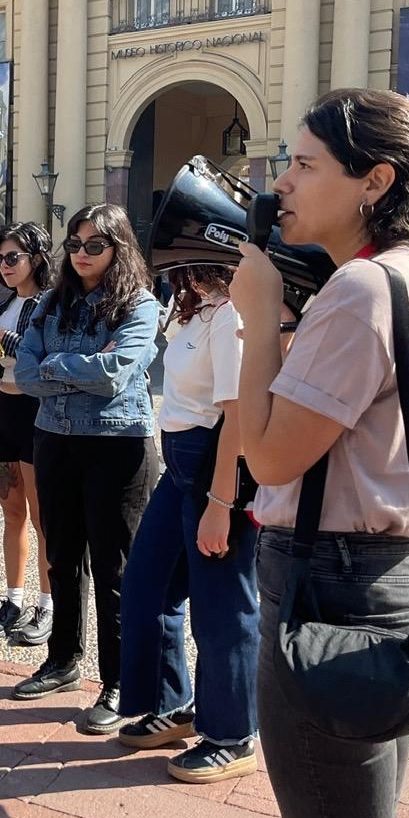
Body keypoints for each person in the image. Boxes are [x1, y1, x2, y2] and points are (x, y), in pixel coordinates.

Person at [229, 88, 409, 818]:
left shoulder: (359, 291)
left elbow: (267, 459)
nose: (281, 184)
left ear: (376, 181)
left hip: (327, 583)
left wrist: (259, 317)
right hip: (394, 577)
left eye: (303, 164)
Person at [11, 204, 160, 737]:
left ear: (119, 248)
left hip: (117, 446)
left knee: (115, 569)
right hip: (56, 440)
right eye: (74, 245)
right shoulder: (52, 304)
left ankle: (119, 681)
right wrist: (77, 370)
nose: (80, 254)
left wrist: (57, 367)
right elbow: (24, 372)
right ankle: (63, 660)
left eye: (94, 245)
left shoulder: (140, 305)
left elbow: (117, 373)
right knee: (62, 558)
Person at [117, 264, 260, 783]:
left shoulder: (229, 316)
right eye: (185, 273)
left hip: (212, 465)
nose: (190, 280)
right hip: (180, 465)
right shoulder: (195, 311)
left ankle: (233, 733)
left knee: (222, 603)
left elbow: (239, 412)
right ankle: (173, 702)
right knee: (147, 585)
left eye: (198, 271)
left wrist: (221, 501)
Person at [0, 222, 53, 644]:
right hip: (3, 409)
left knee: (44, 519)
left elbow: (49, 356)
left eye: (12, 257)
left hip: (37, 413)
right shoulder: (1, 307)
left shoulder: (53, 305)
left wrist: (11, 341)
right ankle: (14, 599)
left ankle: (48, 604)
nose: (4, 265)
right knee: (12, 514)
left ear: (36, 257)